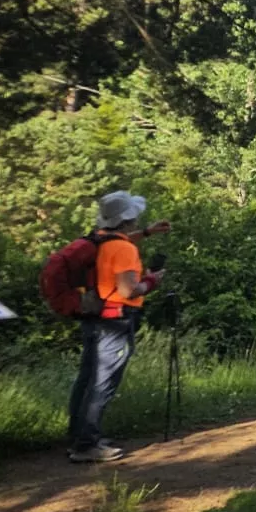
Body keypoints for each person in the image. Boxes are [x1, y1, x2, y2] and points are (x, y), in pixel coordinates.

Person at [66, 191, 169, 462]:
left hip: (94, 316)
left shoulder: (98, 239)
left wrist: (147, 233)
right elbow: (128, 290)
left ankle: (78, 436)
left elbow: (118, 244)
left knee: (87, 378)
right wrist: (152, 281)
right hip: (115, 321)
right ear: (128, 219)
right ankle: (86, 445)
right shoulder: (124, 249)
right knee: (103, 382)